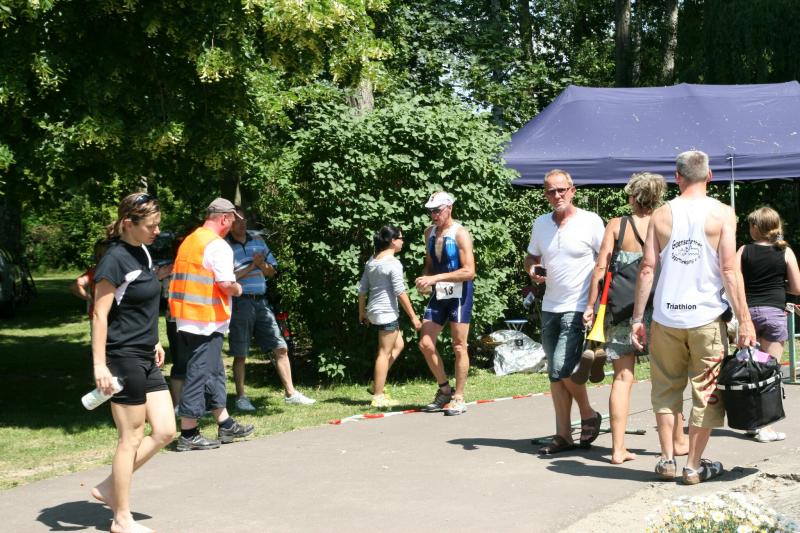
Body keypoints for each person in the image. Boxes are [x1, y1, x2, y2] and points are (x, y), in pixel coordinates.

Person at [632, 150, 755, 485]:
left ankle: (666, 460)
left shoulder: (661, 214)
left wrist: (637, 319)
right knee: (706, 393)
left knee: (665, 391)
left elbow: (647, 268)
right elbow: (729, 270)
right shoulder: (722, 213)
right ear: (710, 176)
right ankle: (692, 466)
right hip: (706, 318)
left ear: (677, 177)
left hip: (666, 317)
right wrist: (744, 320)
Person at [583, 172, 689, 464]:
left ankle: (618, 449)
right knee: (667, 377)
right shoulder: (668, 222)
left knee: (622, 378)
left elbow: (600, 268)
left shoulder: (617, 225)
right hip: (661, 308)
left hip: (622, 310)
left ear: (632, 196)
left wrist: (591, 305)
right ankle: (678, 441)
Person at [89, 192, 175, 533]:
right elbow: (100, 315)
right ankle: (121, 518)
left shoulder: (143, 251)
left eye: (158, 224)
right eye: (151, 225)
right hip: (122, 357)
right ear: (129, 223)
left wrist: (154, 339)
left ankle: (110, 487)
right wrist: (100, 366)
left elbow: (140, 304)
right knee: (132, 437)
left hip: (145, 354)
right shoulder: (114, 259)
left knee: (165, 430)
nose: (157, 231)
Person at [524, 169, 605, 454]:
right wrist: (532, 269)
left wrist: (594, 304)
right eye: (551, 191)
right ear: (545, 194)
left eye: (562, 190)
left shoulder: (590, 221)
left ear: (572, 190)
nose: (557, 195)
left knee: (561, 366)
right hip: (550, 306)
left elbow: (604, 262)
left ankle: (588, 413)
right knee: (555, 374)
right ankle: (563, 435)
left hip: (578, 305)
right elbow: (531, 256)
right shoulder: (541, 223)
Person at [169, 198, 254, 451]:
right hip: (205, 319)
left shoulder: (191, 240)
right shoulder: (218, 246)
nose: (233, 225)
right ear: (225, 218)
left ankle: (225, 423)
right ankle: (188, 433)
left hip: (187, 317)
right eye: (233, 220)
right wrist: (239, 289)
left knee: (214, 371)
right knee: (199, 374)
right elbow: (226, 284)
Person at [226, 207, 315, 410]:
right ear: (229, 223)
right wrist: (252, 266)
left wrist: (261, 265)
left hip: (261, 301)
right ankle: (241, 397)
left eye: (244, 220)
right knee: (241, 352)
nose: (242, 223)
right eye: (238, 220)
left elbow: (272, 271)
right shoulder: (225, 246)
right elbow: (227, 279)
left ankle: (291, 393)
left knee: (280, 346)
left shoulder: (258, 241)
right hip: (240, 302)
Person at [737, 206, 800, 442]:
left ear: (756, 227)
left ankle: (752, 423)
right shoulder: (785, 252)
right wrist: (779, 286)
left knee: (750, 370)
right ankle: (766, 428)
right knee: (769, 371)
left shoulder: (743, 250)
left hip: (748, 317)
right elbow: (797, 287)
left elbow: (733, 280)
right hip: (773, 315)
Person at [415, 191, 475, 416]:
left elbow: (469, 272)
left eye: (437, 210)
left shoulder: (460, 233)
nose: (434, 215)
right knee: (425, 343)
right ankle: (444, 390)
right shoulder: (429, 233)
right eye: (430, 211)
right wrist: (425, 279)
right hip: (440, 292)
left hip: (460, 293)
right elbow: (429, 265)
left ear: (449, 208)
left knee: (459, 345)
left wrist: (435, 278)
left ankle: (459, 397)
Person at [358, 225, 423, 408]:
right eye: (401, 238)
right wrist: (413, 317)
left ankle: (376, 384)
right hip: (386, 313)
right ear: (393, 241)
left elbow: (362, 289)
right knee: (384, 353)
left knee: (399, 345)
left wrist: (362, 312)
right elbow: (400, 292)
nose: (403, 242)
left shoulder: (372, 261)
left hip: (374, 312)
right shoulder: (393, 263)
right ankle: (378, 396)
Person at [70, 239, 110, 321]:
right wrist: (92, 300)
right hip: (101, 317)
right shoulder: (95, 271)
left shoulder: (96, 271)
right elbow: (74, 286)